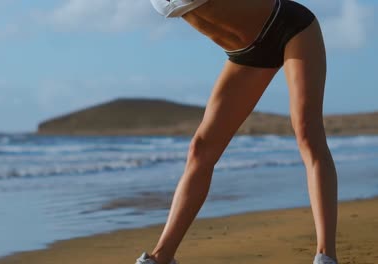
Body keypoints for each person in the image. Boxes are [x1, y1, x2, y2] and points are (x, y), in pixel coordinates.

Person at [135, 0, 339, 264]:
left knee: (307, 133)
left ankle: (326, 256)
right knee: (200, 149)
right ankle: (161, 257)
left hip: (289, 26)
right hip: (247, 54)